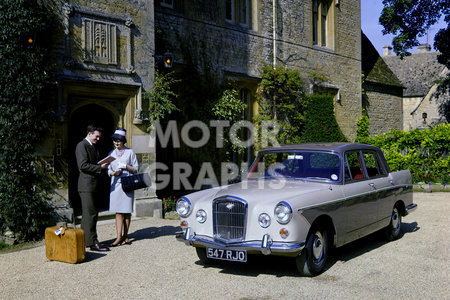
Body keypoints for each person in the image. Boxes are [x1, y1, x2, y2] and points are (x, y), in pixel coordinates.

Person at [75, 124, 110, 252]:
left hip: (92, 185)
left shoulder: (92, 146)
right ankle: (93, 242)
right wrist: (100, 167)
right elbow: (83, 165)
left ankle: (83, 241)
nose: (98, 139)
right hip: (86, 185)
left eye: (99, 137)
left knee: (88, 215)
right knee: (91, 214)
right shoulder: (82, 145)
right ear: (89, 134)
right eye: (97, 136)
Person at [108, 128, 138, 246]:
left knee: (126, 211)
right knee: (118, 212)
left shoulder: (130, 153)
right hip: (115, 186)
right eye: (115, 141)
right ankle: (118, 237)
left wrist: (126, 166)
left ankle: (126, 236)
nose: (116, 143)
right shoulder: (111, 154)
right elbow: (108, 170)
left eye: (119, 141)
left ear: (123, 141)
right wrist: (113, 173)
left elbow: (136, 168)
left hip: (127, 184)